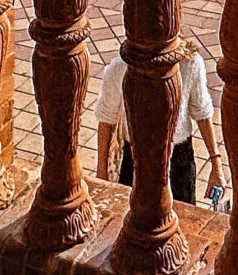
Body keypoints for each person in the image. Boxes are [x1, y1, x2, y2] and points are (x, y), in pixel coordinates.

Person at [94, 42, 223, 206]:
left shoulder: (190, 64)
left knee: (181, 217)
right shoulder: (119, 68)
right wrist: (102, 172)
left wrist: (216, 165)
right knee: (131, 218)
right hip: (133, 161)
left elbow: (202, 114)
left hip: (179, 162)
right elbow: (106, 121)